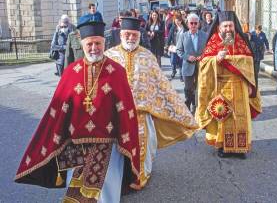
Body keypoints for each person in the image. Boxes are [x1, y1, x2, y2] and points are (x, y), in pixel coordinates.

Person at [15, 20, 140, 202]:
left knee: (106, 191)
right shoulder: (71, 72)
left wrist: (127, 141)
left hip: (109, 145)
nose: (94, 48)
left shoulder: (117, 72)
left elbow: (127, 111)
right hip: (75, 145)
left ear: (104, 44)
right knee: (76, 188)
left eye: (98, 43)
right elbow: (57, 110)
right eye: (89, 44)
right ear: (82, 45)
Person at [104, 17, 198, 190]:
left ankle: (138, 178)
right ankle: (120, 178)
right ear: (121, 34)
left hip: (141, 113)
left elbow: (162, 84)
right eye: (127, 34)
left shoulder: (147, 56)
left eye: (134, 35)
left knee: (142, 147)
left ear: (139, 35)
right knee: (117, 149)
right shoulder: (109, 56)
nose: (131, 38)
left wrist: (180, 112)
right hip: (117, 113)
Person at [195, 11, 262, 158]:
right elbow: (204, 63)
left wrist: (250, 82)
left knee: (240, 118)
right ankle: (224, 146)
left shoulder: (241, 41)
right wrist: (215, 59)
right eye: (225, 26)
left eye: (230, 25)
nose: (228, 29)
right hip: (221, 87)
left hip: (240, 87)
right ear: (219, 27)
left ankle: (241, 148)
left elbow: (249, 61)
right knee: (224, 117)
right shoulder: (213, 41)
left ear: (234, 26)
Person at [176, 13, 208, 113]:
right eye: (191, 23)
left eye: (195, 23)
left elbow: (208, 50)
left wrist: (202, 56)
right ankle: (187, 104)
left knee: (198, 88)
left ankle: (195, 107)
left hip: (201, 66)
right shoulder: (183, 36)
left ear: (198, 24)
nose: (193, 25)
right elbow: (179, 50)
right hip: (187, 66)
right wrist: (187, 57)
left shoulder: (205, 35)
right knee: (188, 88)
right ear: (188, 24)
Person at [167, 13, 187, 81]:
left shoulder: (185, 28)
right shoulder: (173, 28)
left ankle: (181, 75)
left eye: (178, 20)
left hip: (182, 48)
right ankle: (174, 70)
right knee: (173, 61)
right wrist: (167, 45)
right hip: (174, 47)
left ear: (181, 20)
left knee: (181, 62)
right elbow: (169, 37)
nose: (177, 22)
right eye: (175, 21)